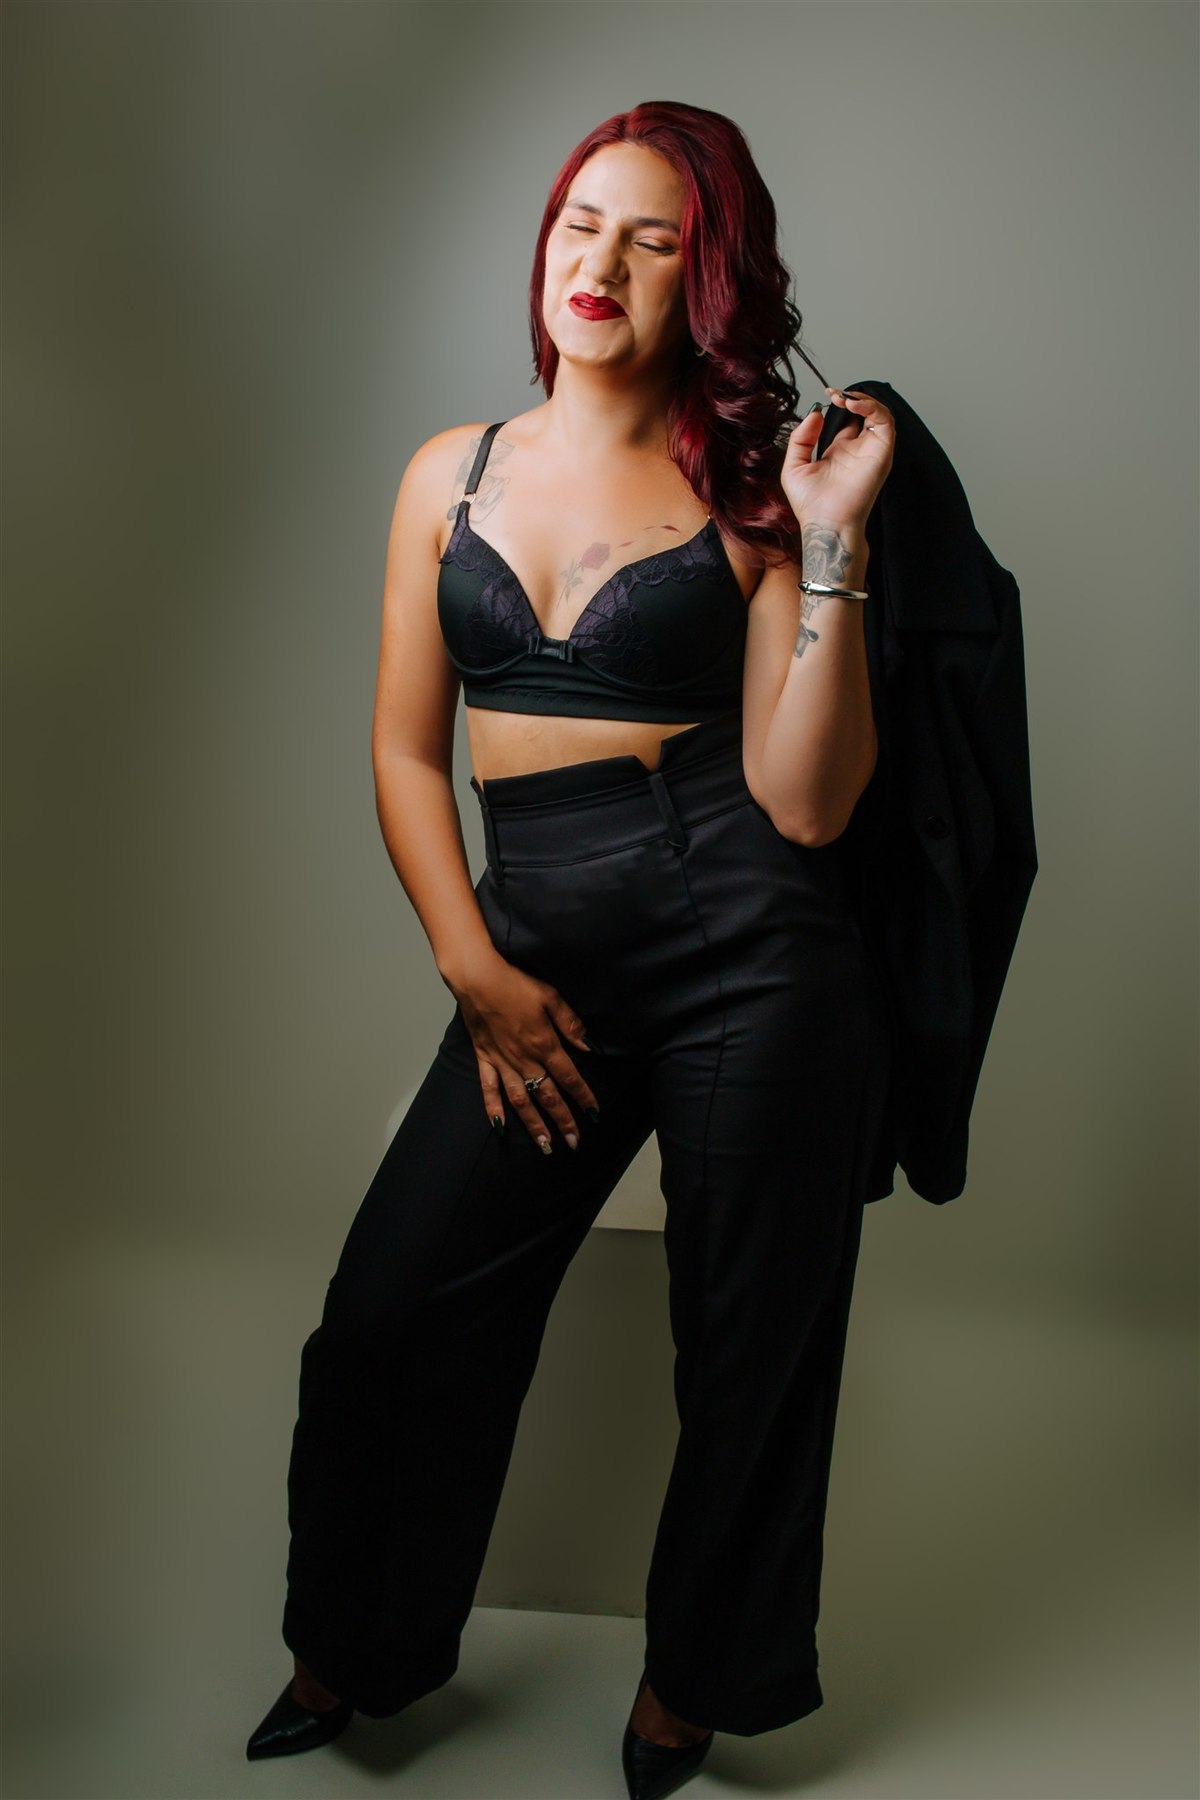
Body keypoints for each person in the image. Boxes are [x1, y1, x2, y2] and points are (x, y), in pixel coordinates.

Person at [245, 99, 897, 1800]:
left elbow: (810, 802)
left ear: (708, 278)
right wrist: (471, 965)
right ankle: (357, 1646)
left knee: (748, 1344)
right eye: (579, 224)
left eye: (652, 238)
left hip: (747, 946)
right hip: (531, 946)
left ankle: (697, 1680)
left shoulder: (752, 495)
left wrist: (831, 543)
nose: (599, 262)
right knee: (390, 1315)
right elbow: (406, 753)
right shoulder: (448, 475)